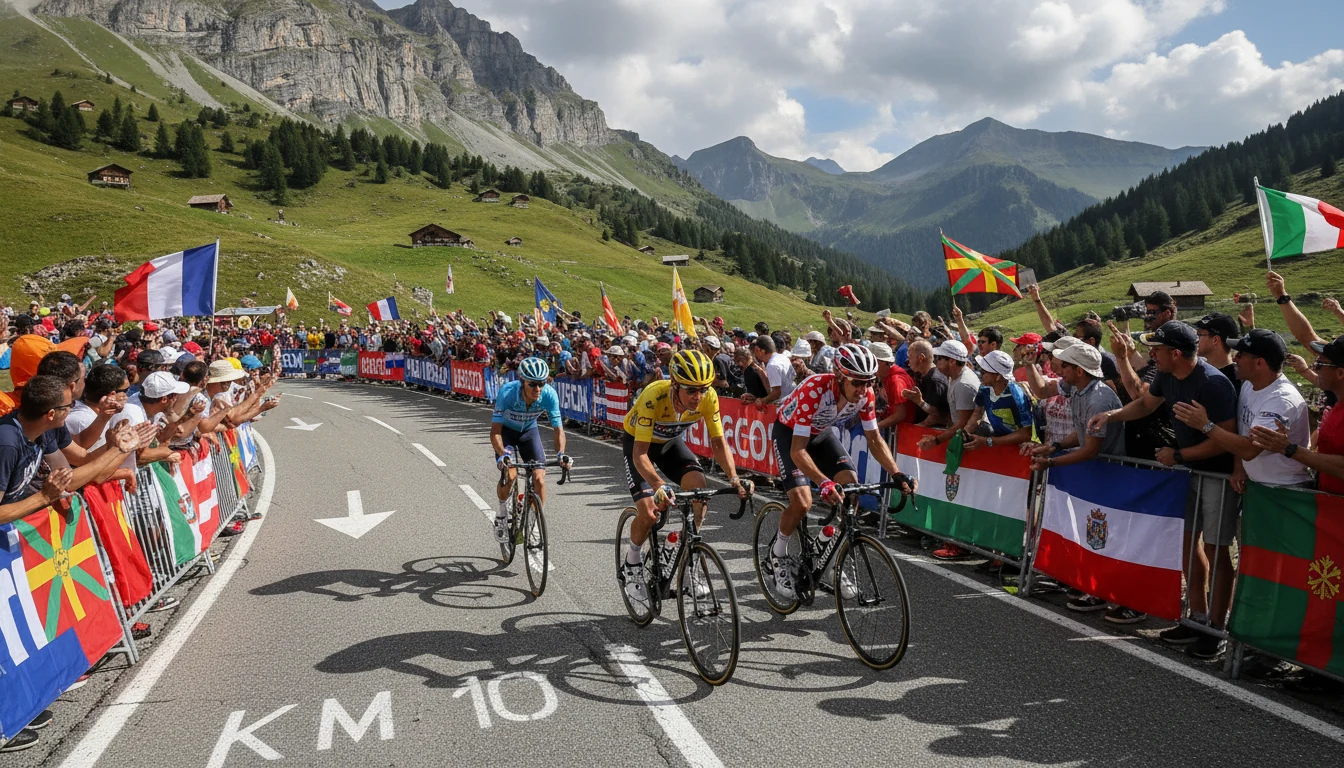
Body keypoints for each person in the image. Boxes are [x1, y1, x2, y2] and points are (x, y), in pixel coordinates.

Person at [1087, 320, 1238, 659]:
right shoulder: (1168, 376)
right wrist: (1111, 415)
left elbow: (1227, 442)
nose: (1150, 354)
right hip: (1185, 472)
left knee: (1216, 548)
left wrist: (1179, 454)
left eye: (1157, 349)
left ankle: (1217, 627)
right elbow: (1145, 405)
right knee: (1187, 544)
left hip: (1216, 474)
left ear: (1176, 353)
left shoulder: (1214, 384)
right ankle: (1196, 618)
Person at [768, 344, 913, 600]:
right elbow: (798, 451)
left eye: (868, 381)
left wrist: (896, 473)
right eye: (857, 382)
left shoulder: (865, 395)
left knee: (851, 487)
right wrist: (823, 482)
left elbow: (875, 438)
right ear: (840, 376)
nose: (863, 389)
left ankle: (832, 556)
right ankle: (778, 555)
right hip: (789, 434)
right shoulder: (815, 389)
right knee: (803, 502)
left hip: (821, 433)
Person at [619, 350, 749, 609]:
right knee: (649, 511)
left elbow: (718, 441)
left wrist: (734, 478)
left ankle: (684, 559)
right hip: (639, 444)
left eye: (703, 389)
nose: (698, 397)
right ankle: (632, 563)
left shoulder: (708, 398)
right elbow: (640, 454)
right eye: (691, 390)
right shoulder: (653, 396)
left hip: (669, 444)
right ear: (675, 385)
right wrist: (658, 485)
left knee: (699, 492)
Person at [1250, 335, 1344, 494]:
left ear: (1340, 373)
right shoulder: (1336, 404)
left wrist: (1289, 448)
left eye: (1320, 364)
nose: (1313, 368)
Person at [490, 357, 570, 544]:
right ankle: (502, 512)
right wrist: (503, 454)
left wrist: (561, 454)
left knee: (540, 479)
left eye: (541, 383)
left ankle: (533, 524)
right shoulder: (508, 393)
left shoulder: (549, 395)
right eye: (532, 384)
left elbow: (558, 429)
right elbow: (495, 432)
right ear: (522, 382)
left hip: (528, 432)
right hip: (507, 434)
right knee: (509, 476)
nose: (537, 389)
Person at [901, 338, 950, 427]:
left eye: (910, 357)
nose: (908, 361)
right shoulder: (929, 376)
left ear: (921, 358)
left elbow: (936, 416)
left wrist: (914, 429)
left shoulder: (933, 380)